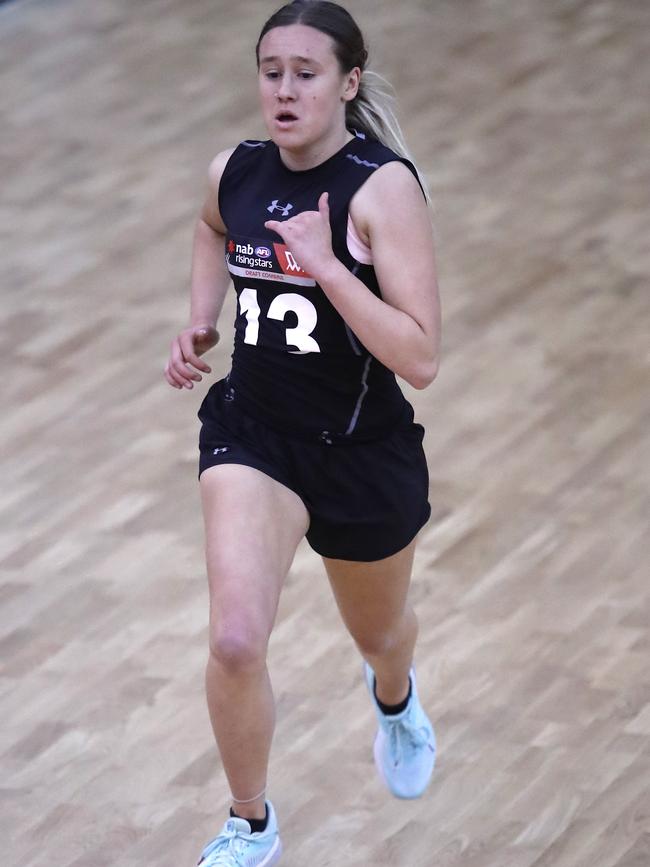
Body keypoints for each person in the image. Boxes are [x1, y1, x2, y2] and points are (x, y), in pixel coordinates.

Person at [164, 2, 441, 864]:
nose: (284, 91)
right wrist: (202, 318)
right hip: (256, 437)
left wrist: (324, 264)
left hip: (361, 451)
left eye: (306, 73)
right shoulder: (236, 171)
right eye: (271, 71)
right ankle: (250, 822)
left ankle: (394, 701)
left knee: (381, 637)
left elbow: (421, 355)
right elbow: (213, 226)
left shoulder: (381, 187)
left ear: (348, 82)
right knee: (236, 637)